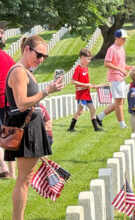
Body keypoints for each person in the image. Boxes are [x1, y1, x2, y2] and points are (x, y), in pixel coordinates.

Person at [5, 35, 63, 219]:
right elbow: (22, 103)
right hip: (25, 126)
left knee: (26, 179)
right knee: (23, 180)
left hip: (31, 125)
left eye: (44, 57)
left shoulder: (27, 71)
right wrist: (46, 91)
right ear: (27, 49)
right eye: (39, 55)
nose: (41, 59)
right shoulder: (19, 72)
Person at [96, 29, 133, 128]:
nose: (124, 41)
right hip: (115, 78)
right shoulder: (111, 49)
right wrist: (120, 70)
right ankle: (122, 124)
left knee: (120, 101)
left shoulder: (121, 49)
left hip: (120, 78)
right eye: (123, 39)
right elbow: (106, 63)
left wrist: (129, 67)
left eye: (125, 39)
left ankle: (99, 117)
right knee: (119, 102)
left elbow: (121, 63)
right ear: (117, 38)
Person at [67, 48, 102, 132]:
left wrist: (91, 86)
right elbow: (73, 81)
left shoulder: (85, 68)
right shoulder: (78, 68)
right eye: (88, 59)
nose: (89, 61)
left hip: (87, 93)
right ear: (82, 57)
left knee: (93, 110)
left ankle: (96, 128)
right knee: (80, 111)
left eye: (90, 59)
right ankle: (71, 128)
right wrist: (86, 85)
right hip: (81, 94)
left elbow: (86, 82)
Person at [0, 30, 16, 179]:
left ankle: (4, 169)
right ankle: (11, 171)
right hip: (7, 100)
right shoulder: (8, 58)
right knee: (8, 135)